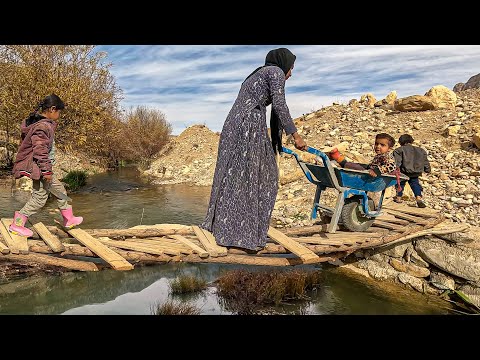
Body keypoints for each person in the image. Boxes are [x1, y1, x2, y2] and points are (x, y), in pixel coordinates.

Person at [200, 48, 307, 252]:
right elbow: (280, 104)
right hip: (247, 125)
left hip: (240, 123)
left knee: (241, 177)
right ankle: (240, 235)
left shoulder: (259, 73)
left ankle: (233, 231)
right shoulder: (275, 72)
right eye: (291, 68)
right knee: (255, 178)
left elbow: (273, 106)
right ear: (283, 63)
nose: (291, 73)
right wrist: (295, 134)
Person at [9, 94, 83, 237]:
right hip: (40, 169)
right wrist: (47, 171)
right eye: (59, 112)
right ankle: (16, 224)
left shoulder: (40, 123)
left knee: (60, 191)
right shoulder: (42, 126)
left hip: (41, 168)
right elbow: (40, 150)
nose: (59, 115)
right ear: (52, 109)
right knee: (39, 198)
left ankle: (69, 219)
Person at [327, 133, 398, 177]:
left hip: (373, 173)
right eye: (376, 144)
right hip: (369, 168)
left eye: (382, 145)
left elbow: (392, 166)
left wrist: (377, 171)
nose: (378, 146)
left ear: (389, 149)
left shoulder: (387, 156)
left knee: (357, 168)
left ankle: (340, 161)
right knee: (356, 165)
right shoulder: (380, 155)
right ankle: (340, 161)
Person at [393, 134, 431, 208]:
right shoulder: (421, 150)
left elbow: (397, 162)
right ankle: (418, 198)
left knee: (400, 184)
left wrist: (395, 170)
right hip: (415, 172)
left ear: (401, 142)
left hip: (403, 172)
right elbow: (425, 161)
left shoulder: (399, 150)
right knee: (415, 184)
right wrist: (427, 169)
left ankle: (398, 198)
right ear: (411, 141)